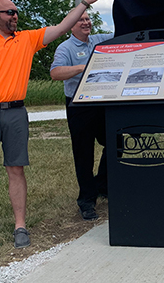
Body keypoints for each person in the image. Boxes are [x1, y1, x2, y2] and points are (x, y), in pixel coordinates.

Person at [0, 0, 104, 247]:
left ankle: (20, 225)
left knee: (16, 168)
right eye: (10, 12)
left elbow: (63, 27)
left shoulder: (27, 39)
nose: (15, 16)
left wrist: (84, 3)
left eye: (16, 12)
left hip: (16, 112)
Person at [50, 12, 114, 221]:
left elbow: (122, 37)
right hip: (79, 105)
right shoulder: (65, 48)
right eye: (81, 20)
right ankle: (87, 201)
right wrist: (82, 67)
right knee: (84, 153)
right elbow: (55, 72)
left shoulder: (99, 40)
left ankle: (102, 185)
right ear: (71, 26)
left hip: (103, 102)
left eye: (88, 19)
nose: (86, 23)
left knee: (115, 142)